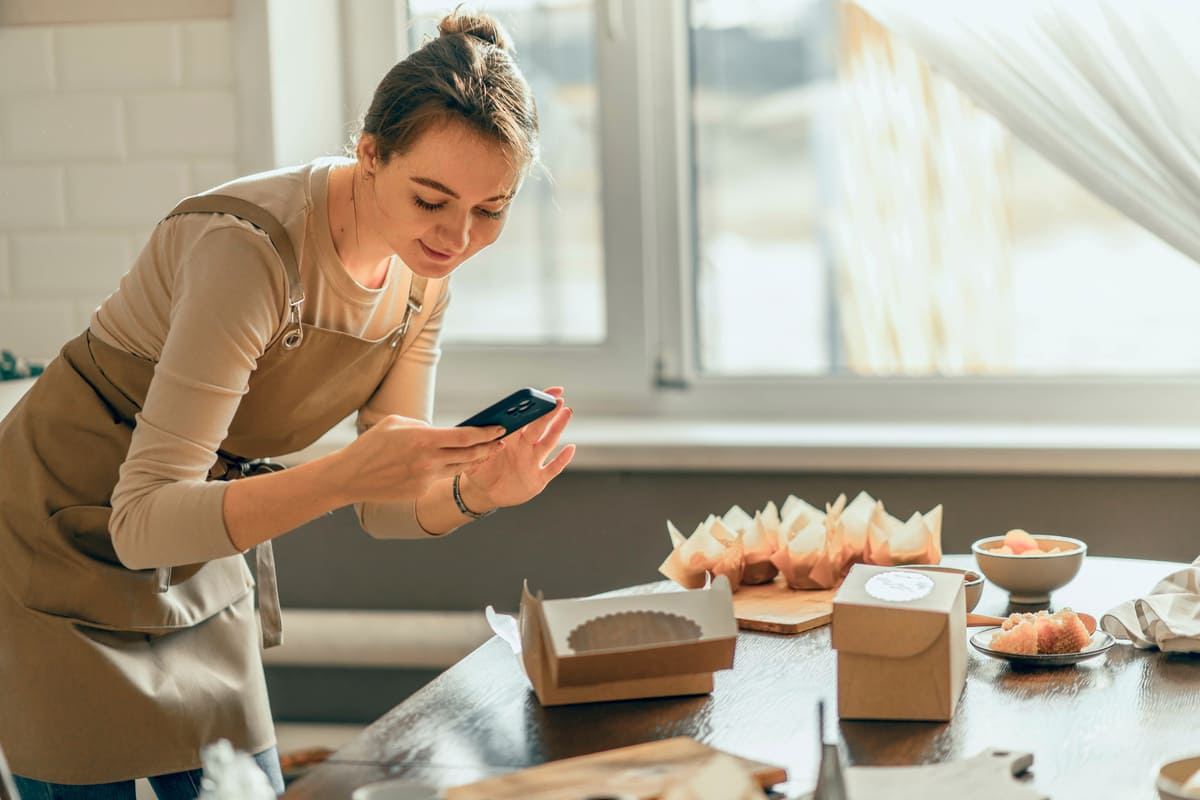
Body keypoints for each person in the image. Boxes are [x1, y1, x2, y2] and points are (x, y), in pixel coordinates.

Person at [0, 9, 574, 798]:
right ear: (369, 155)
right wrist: (342, 475)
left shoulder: (421, 276)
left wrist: (473, 493)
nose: (457, 236)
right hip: (62, 528)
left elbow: (381, 508)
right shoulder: (250, 252)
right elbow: (140, 524)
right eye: (433, 199)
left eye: (492, 209)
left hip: (197, 531)